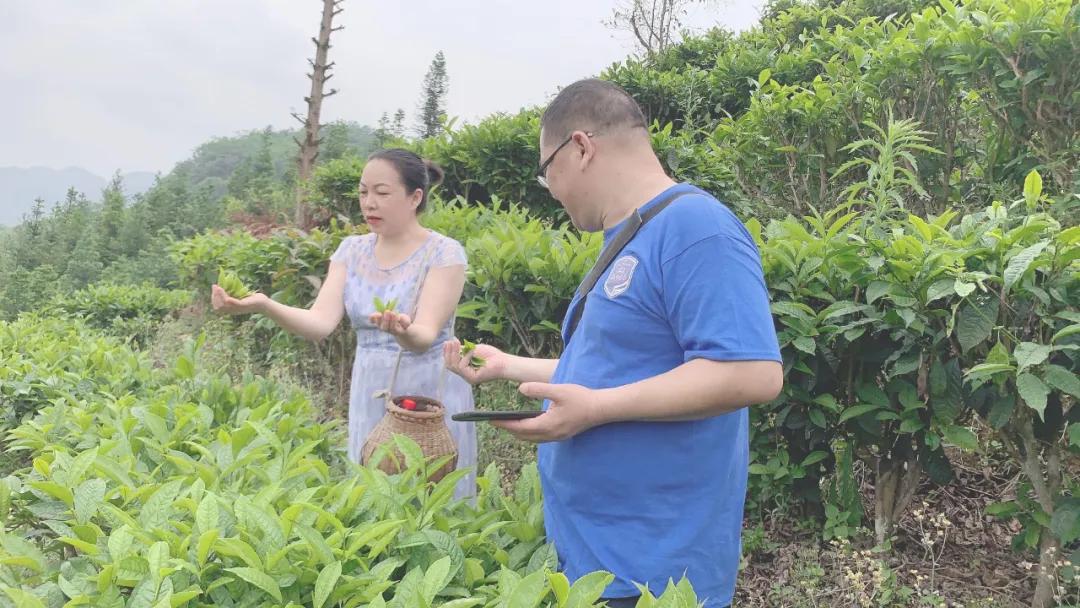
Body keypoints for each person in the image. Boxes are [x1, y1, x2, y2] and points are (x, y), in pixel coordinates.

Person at [443, 79, 783, 607]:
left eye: (545, 169)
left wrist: (595, 409)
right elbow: (617, 365)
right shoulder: (633, 235)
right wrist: (508, 365)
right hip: (596, 561)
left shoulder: (698, 228)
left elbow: (751, 372)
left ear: (580, 148)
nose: (550, 188)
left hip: (655, 572)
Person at [211, 148, 477, 500]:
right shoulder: (350, 251)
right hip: (372, 389)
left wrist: (402, 330)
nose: (369, 203)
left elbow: (424, 335)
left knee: (436, 498)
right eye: (364, 192)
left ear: (415, 197)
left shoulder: (444, 253)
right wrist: (262, 305)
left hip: (429, 392)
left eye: (382, 193)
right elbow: (320, 323)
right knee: (373, 500)